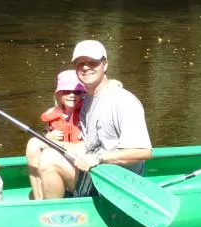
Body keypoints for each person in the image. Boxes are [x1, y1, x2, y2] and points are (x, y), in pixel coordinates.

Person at [31, 40, 152, 199]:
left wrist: (98, 158)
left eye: (92, 62)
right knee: (40, 147)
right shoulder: (87, 101)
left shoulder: (124, 101)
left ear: (105, 65)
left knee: (49, 159)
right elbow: (91, 145)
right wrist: (52, 143)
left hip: (119, 182)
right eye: (80, 63)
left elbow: (144, 151)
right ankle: (47, 201)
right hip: (97, 172)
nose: (86, 67)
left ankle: (54, 216)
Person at [26, 70, 86, 199]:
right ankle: (39, 198)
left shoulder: (88, 111)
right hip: (65, 158)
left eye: (77, 92)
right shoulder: (53, 114)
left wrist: (115, 84)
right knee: (32, 144)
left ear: (84, 93)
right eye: (66, 91)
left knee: (48, 155)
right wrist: (49, 138)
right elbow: (48, 137)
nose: (72, 95)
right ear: (58, 94)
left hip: (80, 166)